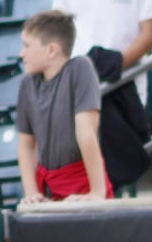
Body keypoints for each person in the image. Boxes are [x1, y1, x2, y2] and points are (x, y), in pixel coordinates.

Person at [15, 11, 112, 203]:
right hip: (49, 190)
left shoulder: (80, 69)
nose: (21, 53)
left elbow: (86, 133)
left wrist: (97, 192)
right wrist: (32, 193)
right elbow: (25, 145)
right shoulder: (27, 84)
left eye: (26, 46)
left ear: (51, 50)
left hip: (81, 185)